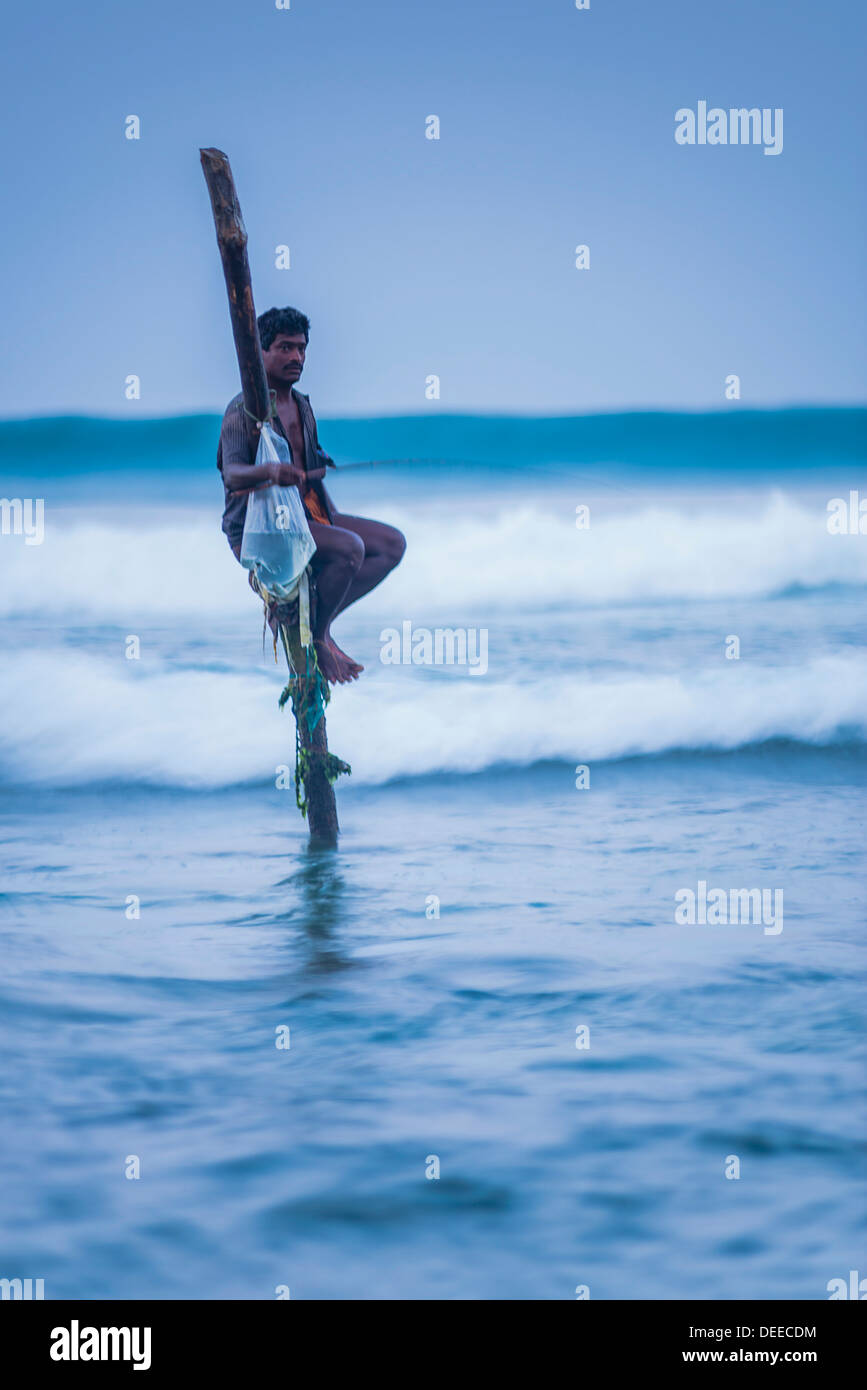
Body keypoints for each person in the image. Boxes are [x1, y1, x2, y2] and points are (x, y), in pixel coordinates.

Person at [217, 306, 405, 683]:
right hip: (262, 532)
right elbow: (233, 476)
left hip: (303, 518)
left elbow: (313, 471)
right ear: (261, 351)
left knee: (389, 545)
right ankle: (317, 638)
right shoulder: (244, 412)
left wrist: (330, 518)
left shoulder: (302, 405)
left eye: (302, 349)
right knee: (350, 548)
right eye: (285, 348)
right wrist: (272, 471)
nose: (297, 358)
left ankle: (320, 620)